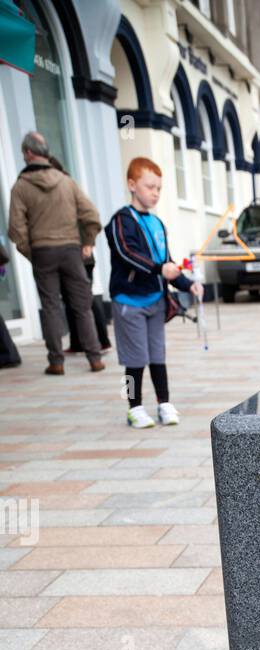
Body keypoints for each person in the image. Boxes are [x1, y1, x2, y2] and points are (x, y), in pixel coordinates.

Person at [105, 156, 202, 428]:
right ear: (132, 185)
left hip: (156, 301)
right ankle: (134, 407)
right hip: (129, 302)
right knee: (135, 359)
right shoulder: (120, 221)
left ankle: (164, 403)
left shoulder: (158, 224)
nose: (155, 193)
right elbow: (127, 254)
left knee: (157, 355)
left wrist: (187, 283)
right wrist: (160, 269)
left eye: (159, 188)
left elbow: (167, 261)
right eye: (150, 187)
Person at [7, 131, 104, 376]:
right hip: (71, 250)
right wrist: (88, 242)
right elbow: (91, 216)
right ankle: (95, 358)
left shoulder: (20, 186)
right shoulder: (66, 181)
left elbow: (15, 229)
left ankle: (57, 361)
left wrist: (32, 252)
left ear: (29, 153)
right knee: (82, 306)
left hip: (42, 251)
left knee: (50, 307)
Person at [45, 155, 111, 354]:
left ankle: (102, 341)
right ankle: (77, 343)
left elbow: (90, 217)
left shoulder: (69, 189)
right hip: (64, 254)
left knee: (84, 298)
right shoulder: (51, 194)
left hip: (81, 253)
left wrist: (88, 243)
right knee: (70, 299)